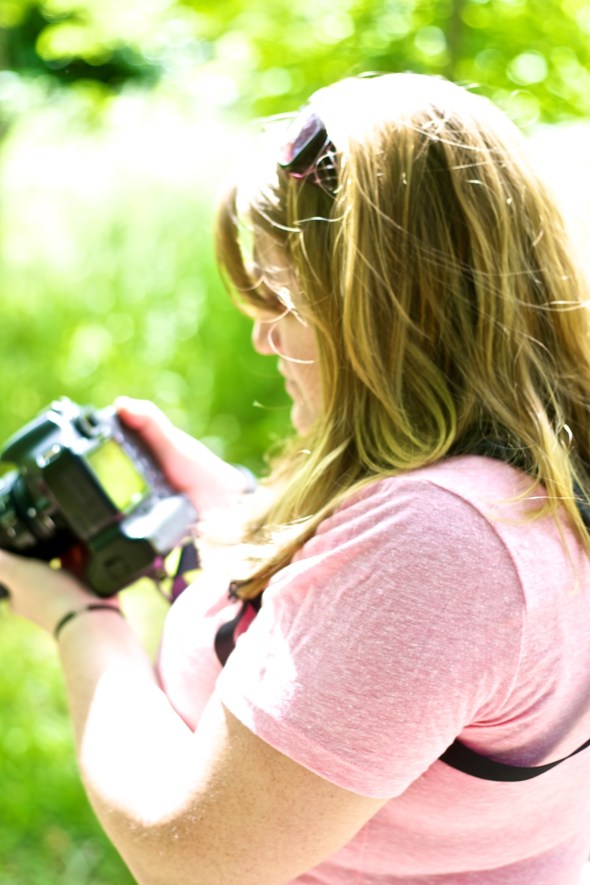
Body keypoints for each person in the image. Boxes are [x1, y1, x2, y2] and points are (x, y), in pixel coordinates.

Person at [3, 71, 590, 885]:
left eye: (282, 298)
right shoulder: (523, 490)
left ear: (387, 312)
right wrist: (229, 514)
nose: (263, 340)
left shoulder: (437, 545)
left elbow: (194, 854)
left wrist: (81, 619)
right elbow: (371, 645)